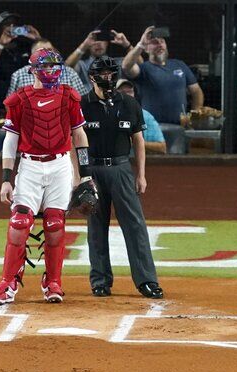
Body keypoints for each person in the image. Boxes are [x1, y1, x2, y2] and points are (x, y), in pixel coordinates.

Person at [0, 48, 94, 305]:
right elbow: (10, 141)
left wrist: (85, 175)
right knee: (19, 223)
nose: (51, 71)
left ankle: (53, 282)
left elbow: (79, 136)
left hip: (60, 166)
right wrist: (6, 178)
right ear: (34, 69)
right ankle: (8, 281)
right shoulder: (20, 99)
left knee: (55, 223)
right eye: (46, 67)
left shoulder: (69, 97)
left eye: (54, 66)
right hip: (30, 166)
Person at [81, 57, 163, 300]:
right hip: (93, 169)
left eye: (110, 73)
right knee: (96, 227)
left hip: (121, 168)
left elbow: (138, 140)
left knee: (135, 225)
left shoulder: (129, 103)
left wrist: (141, 174)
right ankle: (100, 281)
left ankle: (147, 280)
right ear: (93, 76)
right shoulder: (82, 104)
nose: (107, 77)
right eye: (102, 73)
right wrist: (80, 177)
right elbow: (76, 142)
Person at [121, 25, 204, 125]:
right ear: (146, 49)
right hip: (152, 128)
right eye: (155, 42)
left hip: (179, 126)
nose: (160, 45)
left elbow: (196, 91)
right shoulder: (144, 69)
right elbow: (126, 66)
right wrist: (141, 44)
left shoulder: (179, 64)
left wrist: (193, 116)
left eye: (162, 41)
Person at [8, 40, 89, 96]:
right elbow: (9, 105)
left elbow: (82, 99)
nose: (47, 54)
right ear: (33, 54)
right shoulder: (18, 75)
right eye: (42, 51)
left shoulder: (69, 73)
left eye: (50, 50)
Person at [0, 10, 41, 83]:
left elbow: (52, 63)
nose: (12, 26)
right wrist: (0, 44)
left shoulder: (26, 46)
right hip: (2, 91)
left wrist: (38, 39)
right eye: (7, 24)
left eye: (14, 23)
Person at [116, 79, 167, 153]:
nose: (127, 95)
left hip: (142, 161)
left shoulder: (146, 116)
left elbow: (162, 148)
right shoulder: (108, 114)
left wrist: (135, 142)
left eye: (130, 91)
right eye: (123, 92)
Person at [65, 29, 131, 86]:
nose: (98, 43)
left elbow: (140, 65)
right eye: (94, 40)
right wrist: (83, 46)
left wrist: (127, 45)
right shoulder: (82, 65)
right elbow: (66, 68)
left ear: (106, 43)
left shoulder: (119, 62)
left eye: (101, 39)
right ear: (88, 45)